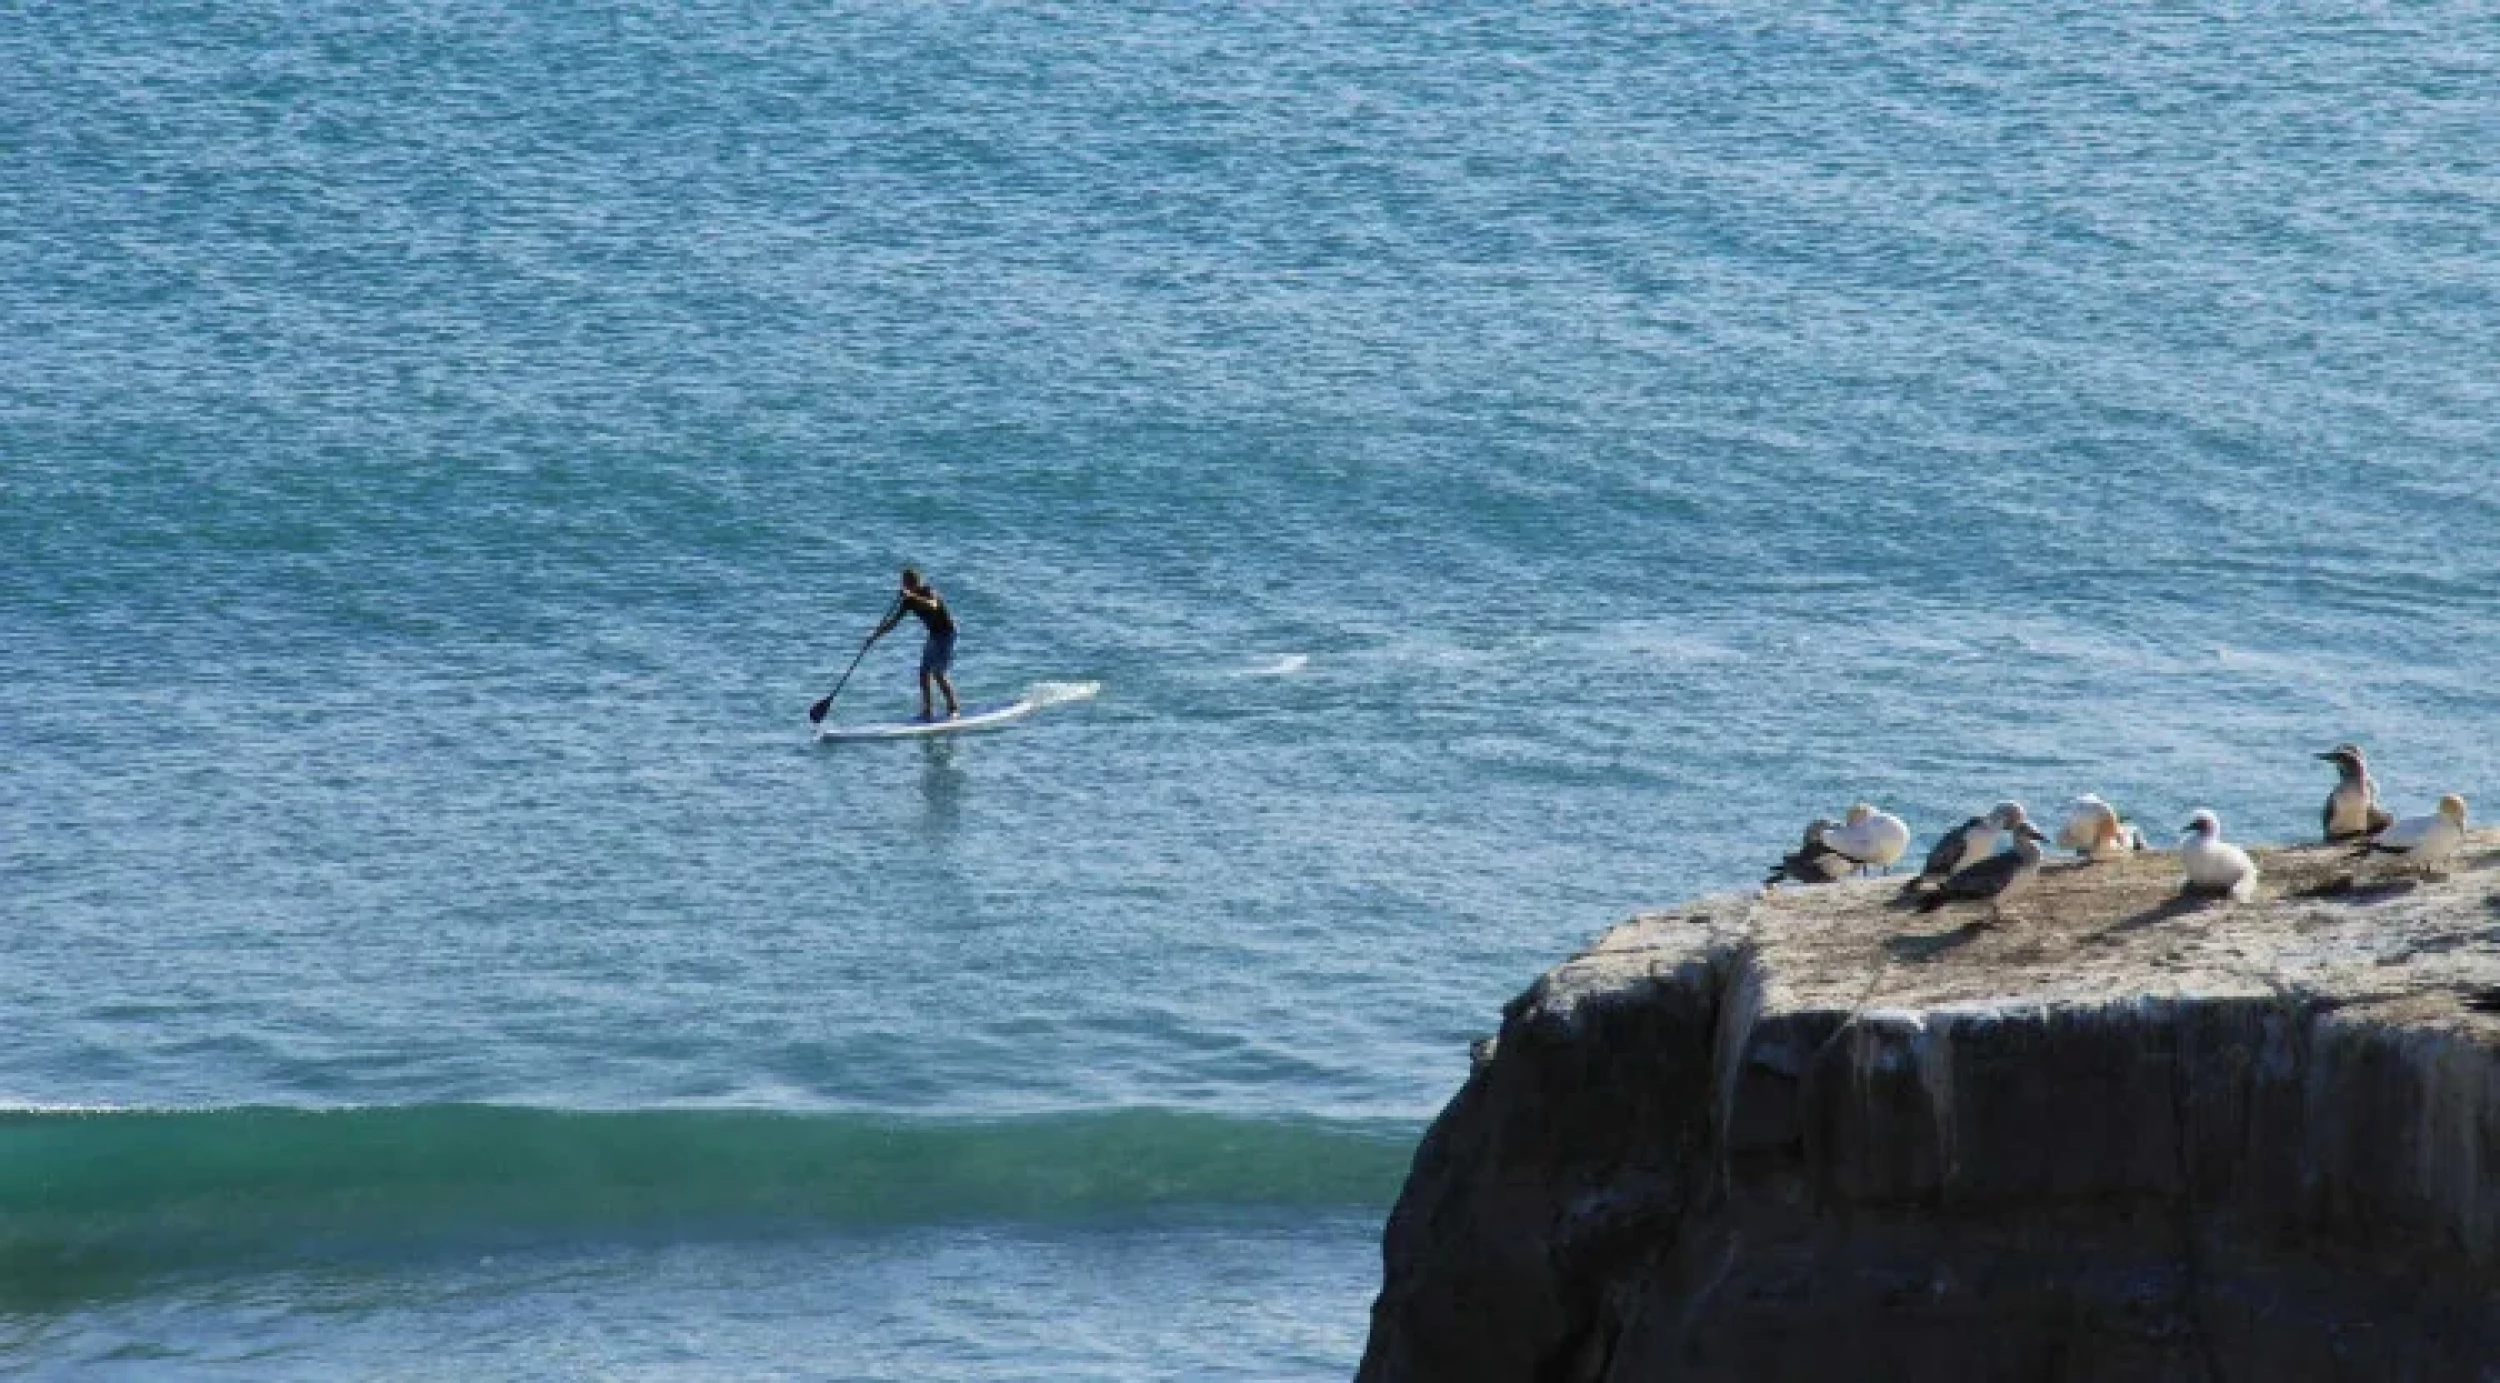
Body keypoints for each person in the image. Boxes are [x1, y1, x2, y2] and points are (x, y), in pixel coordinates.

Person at [877, 567, 960, 720]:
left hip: (947, 633)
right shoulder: (908, 601)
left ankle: (953, 708)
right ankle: (927, 711)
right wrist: (875, 636)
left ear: (915, 582)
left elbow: (933, 605)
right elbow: (893, 622)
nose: (903, 585)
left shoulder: (928, 591)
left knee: (938, 673)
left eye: (907, 582)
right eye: (903, 582)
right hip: (934, 635)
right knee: (923, 673)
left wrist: (912, 595)